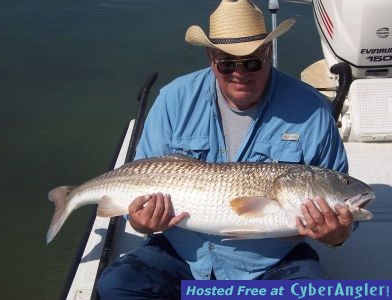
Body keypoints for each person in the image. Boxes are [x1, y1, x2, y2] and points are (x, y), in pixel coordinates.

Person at [98, 0, 353, 298]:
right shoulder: (173, 100)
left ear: (268, 52)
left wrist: (337, 234)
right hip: (182, 253)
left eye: (253, 62)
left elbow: (339, 199)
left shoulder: (312, 111)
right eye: (227, 63)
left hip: (273, 261)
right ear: (210, 56)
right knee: (116, 285)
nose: (240, 73)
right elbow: (140, 185)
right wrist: (141, 221)